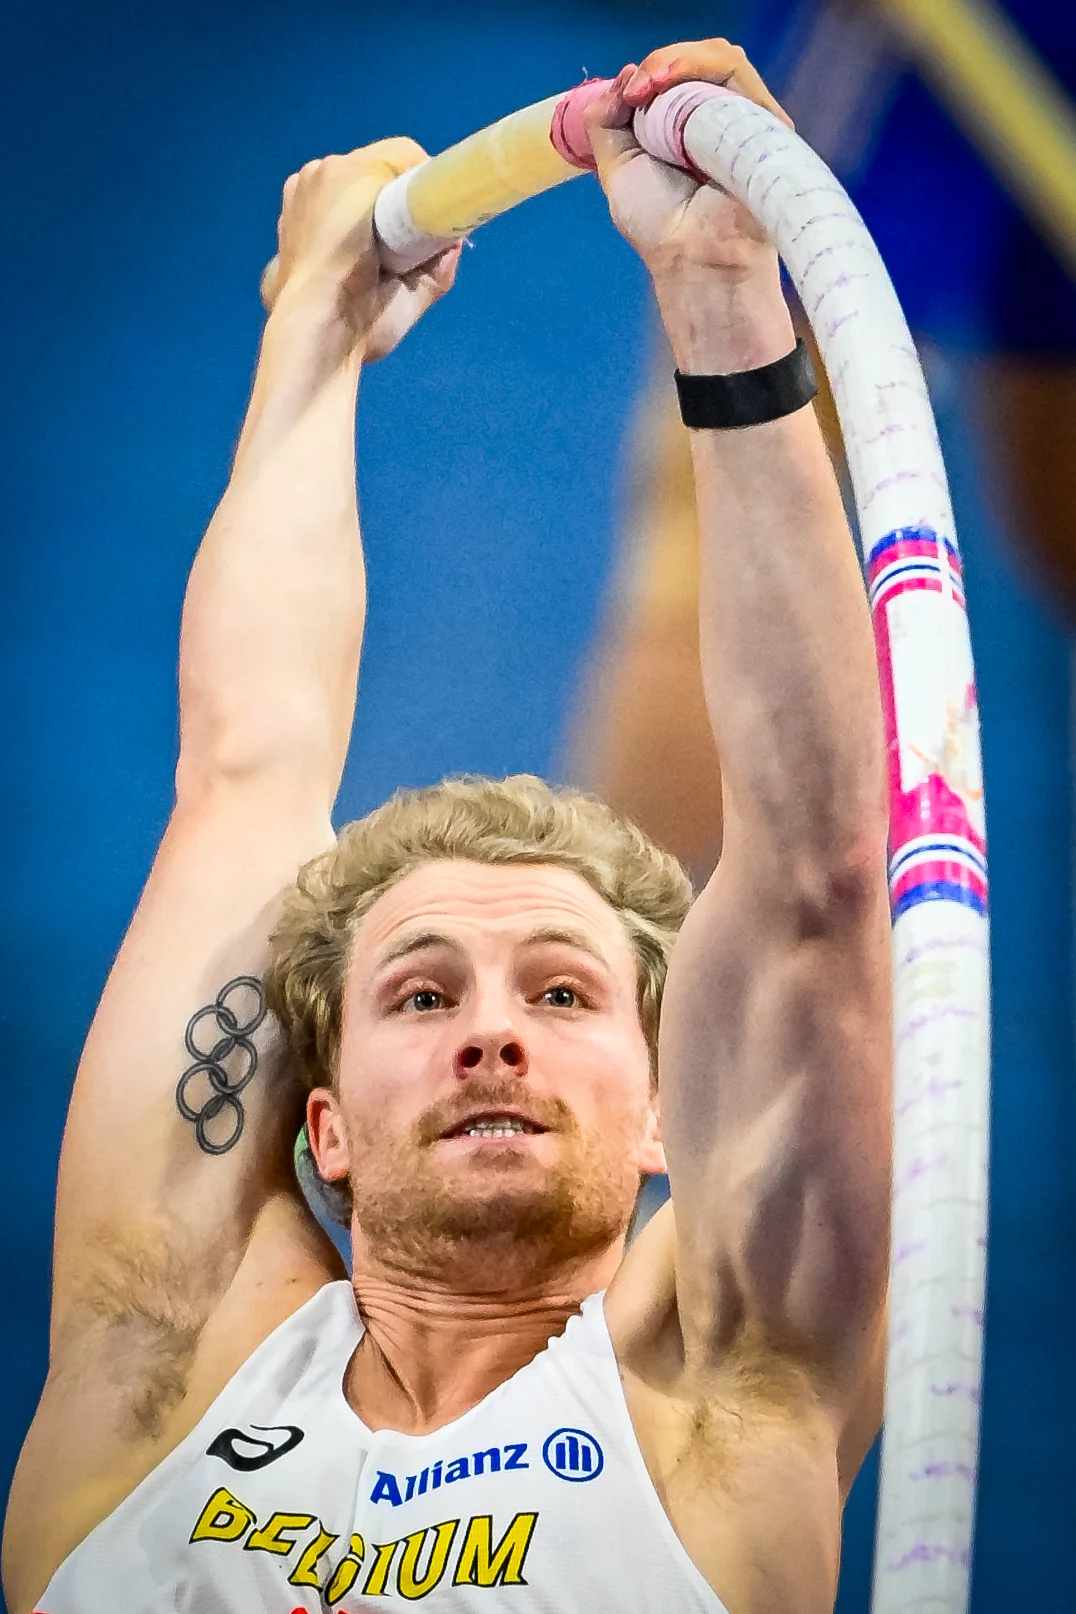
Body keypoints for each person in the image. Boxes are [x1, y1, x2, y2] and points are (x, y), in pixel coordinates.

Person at [3, 39, 892, 1614]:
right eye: (424, 994)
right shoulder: (165, 1372)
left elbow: (821, 869)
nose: (494, 1035)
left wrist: (722, 291)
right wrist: (311, 329)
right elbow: (245, 771)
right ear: (323, 1123)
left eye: (560, 992)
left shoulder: (722, 1411)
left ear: (669, 1117)